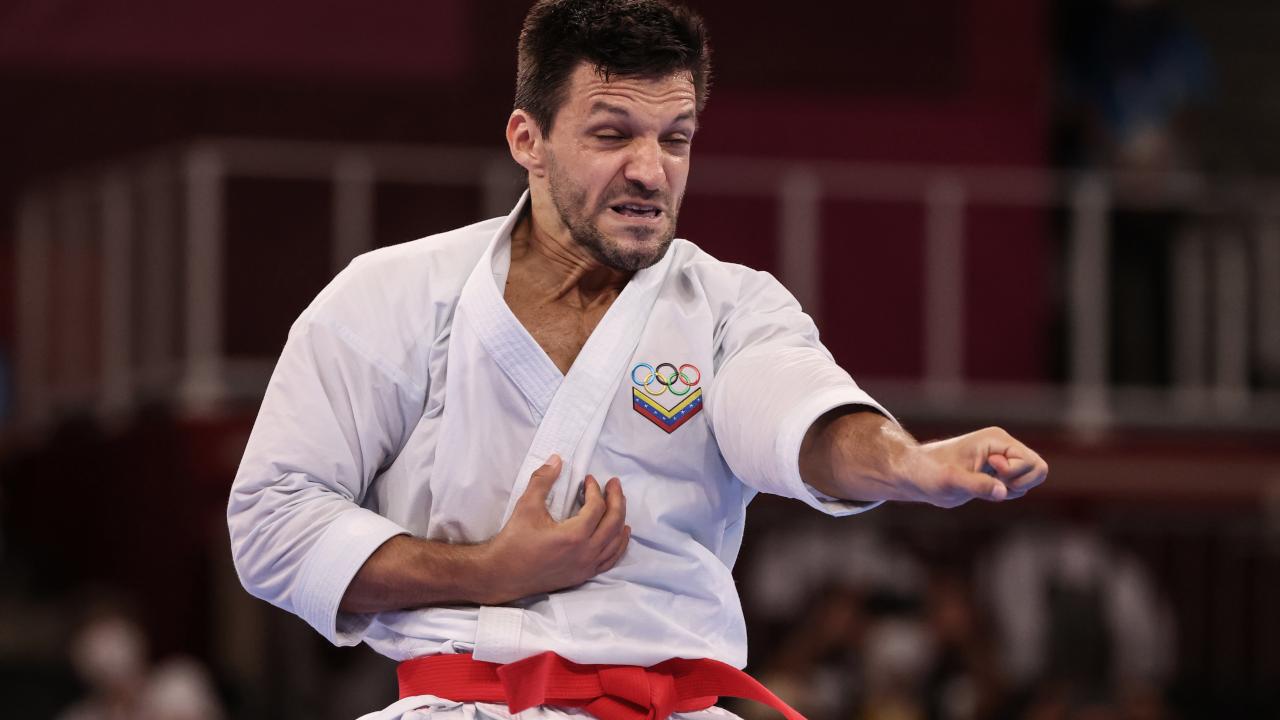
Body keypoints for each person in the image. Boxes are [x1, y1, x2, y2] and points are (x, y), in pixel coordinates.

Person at [226, 2, 1049, 719]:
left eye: (675, 139)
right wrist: (489, 570)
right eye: (612, 134)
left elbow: (795, 413)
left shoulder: (728, 306)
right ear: (528, 138)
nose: (651, 171)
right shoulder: (393, 295)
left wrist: (910, 464)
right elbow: (273, 523)